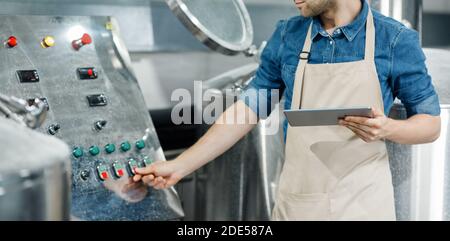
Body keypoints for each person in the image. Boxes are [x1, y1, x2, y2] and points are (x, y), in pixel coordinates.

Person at [133, 0, 441, 220]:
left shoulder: (394, 39)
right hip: (298, 205)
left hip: (365, 206)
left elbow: (430, 124)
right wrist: (180, 166)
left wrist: (388, 128)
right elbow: (248, 110)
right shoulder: (288, 36)